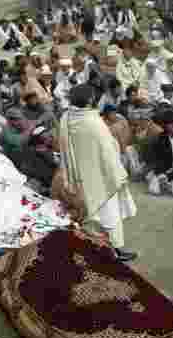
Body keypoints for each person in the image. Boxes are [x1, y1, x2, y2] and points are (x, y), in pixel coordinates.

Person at [57, 85, 138, 263]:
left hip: (77, 175)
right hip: (101, 177)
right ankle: (115, 251)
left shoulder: (66, 117)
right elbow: (108, 151)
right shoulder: (92, 122)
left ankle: (93, 249)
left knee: (89, 216)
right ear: (89, 100)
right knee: (109, 215)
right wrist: (118, 173)